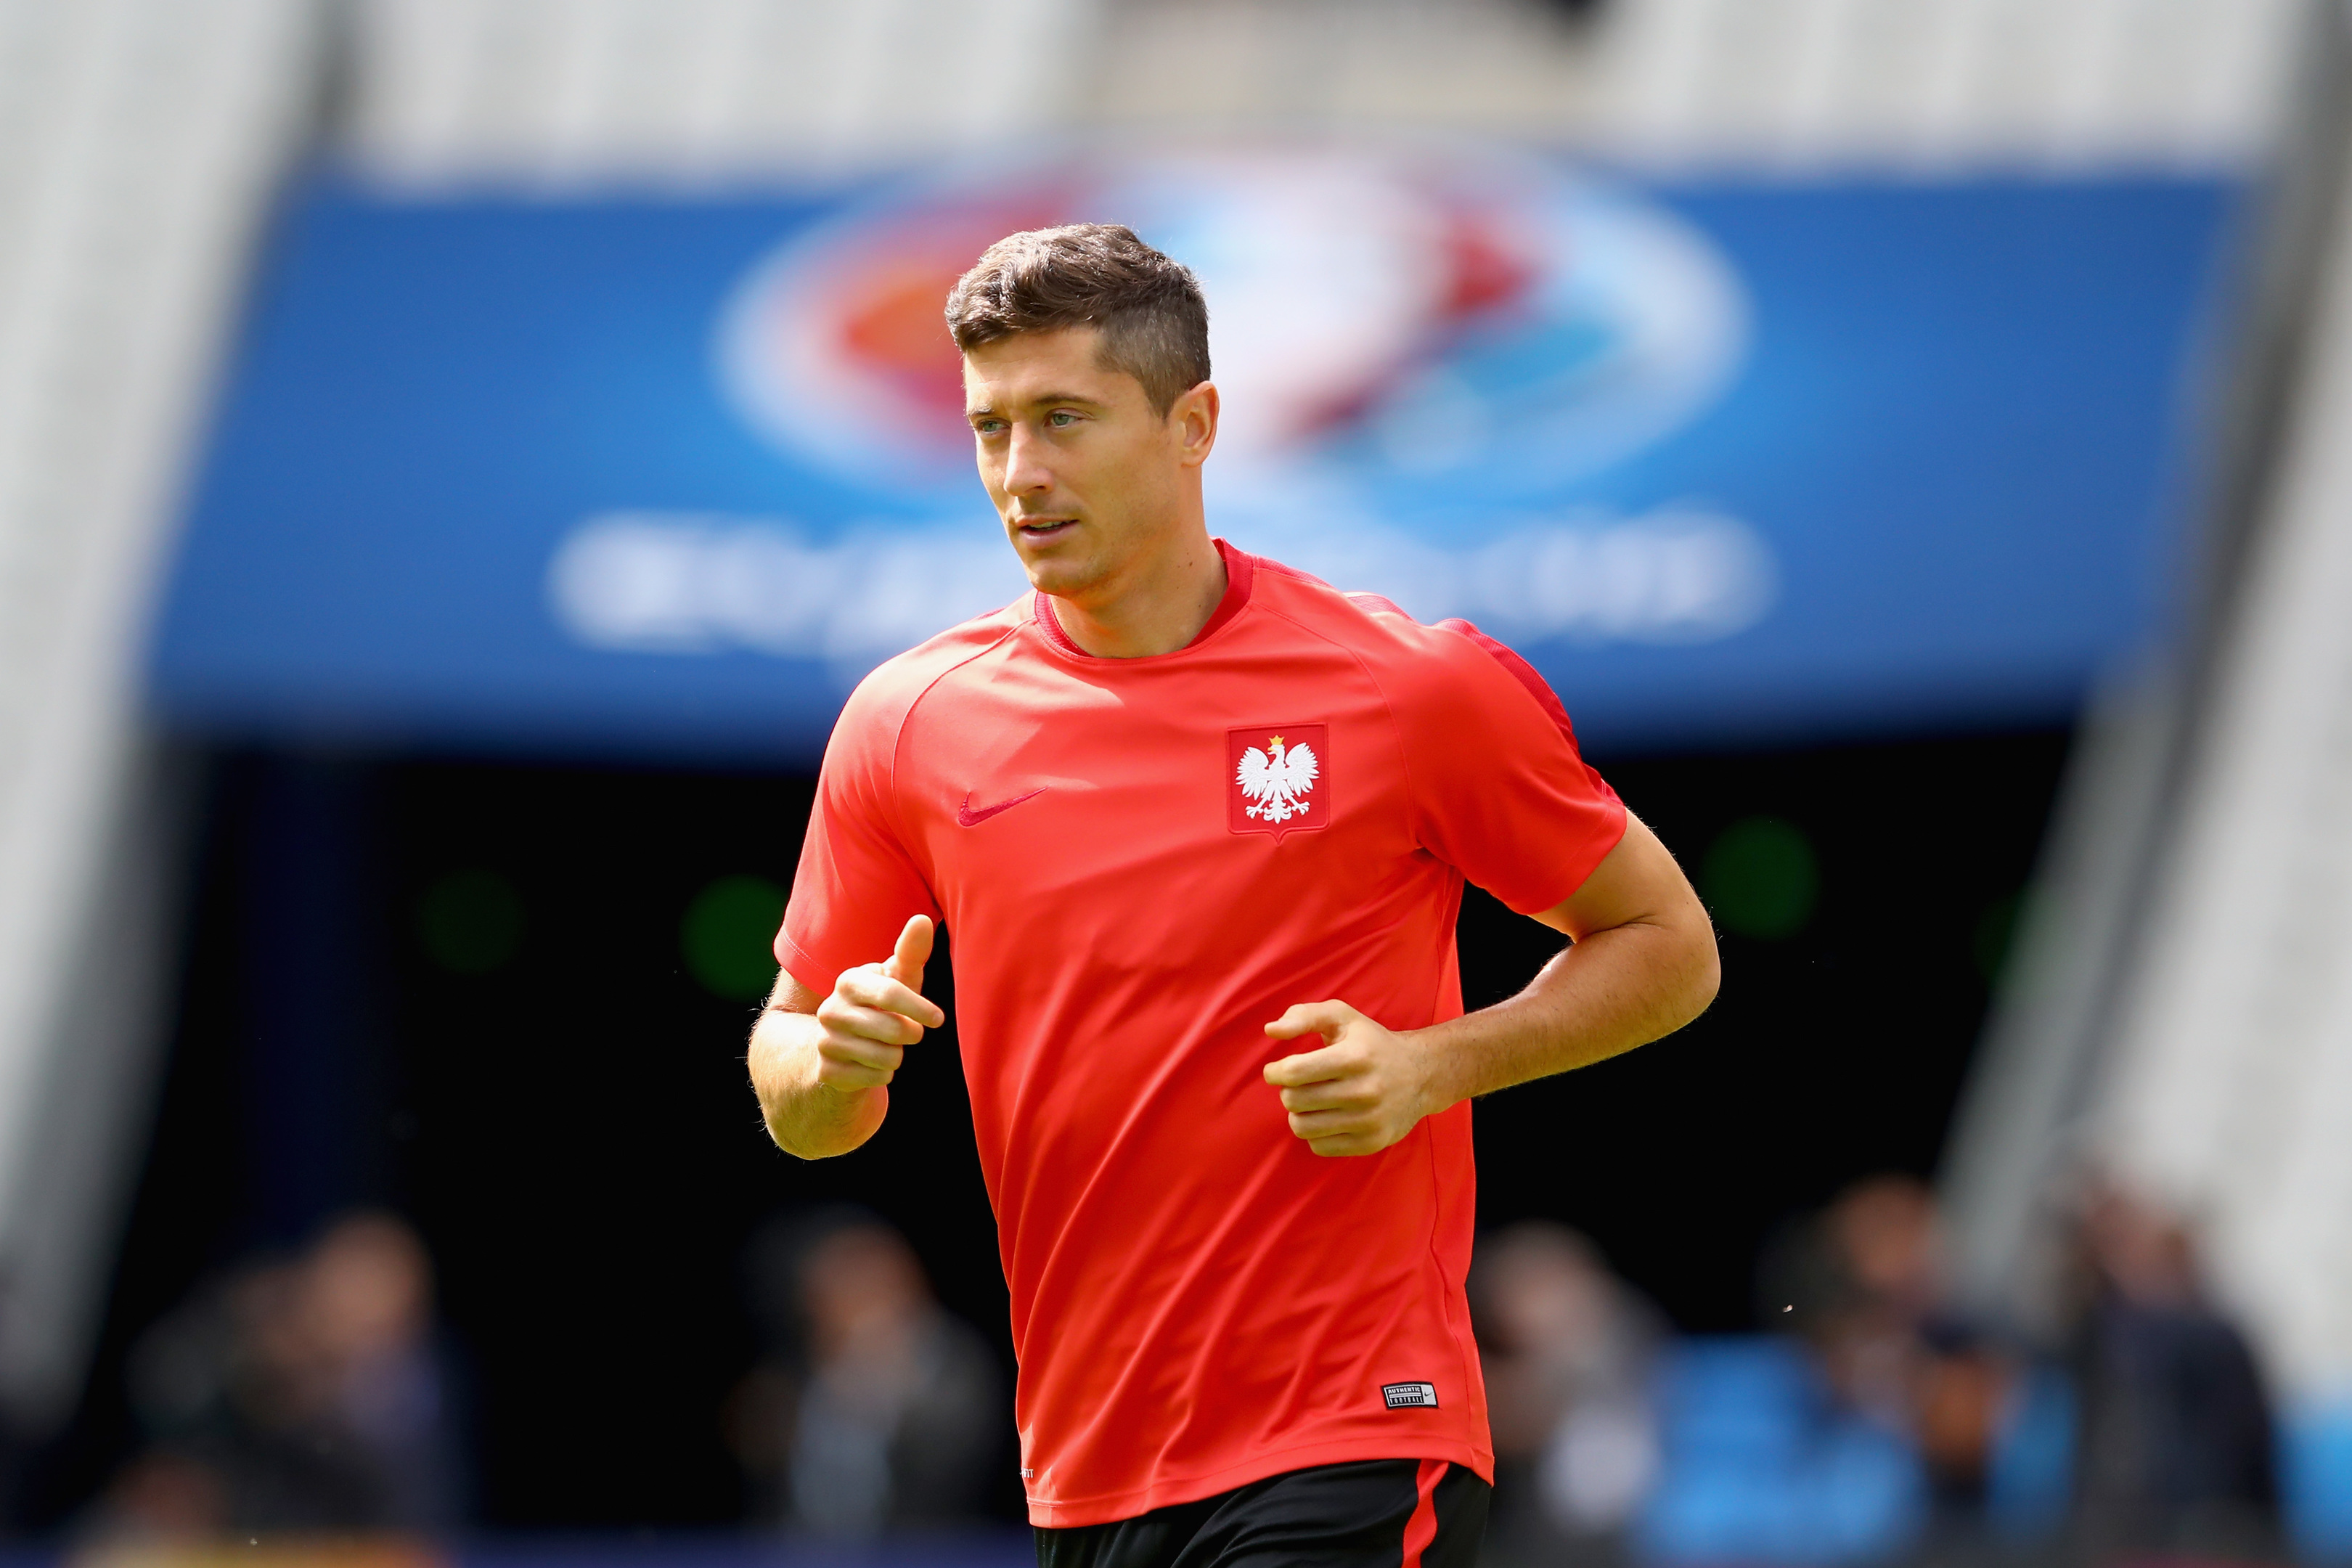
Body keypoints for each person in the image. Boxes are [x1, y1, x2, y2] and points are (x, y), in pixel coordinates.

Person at [747, 224, 1719, 1568]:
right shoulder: (908, 725)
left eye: (1065, 419)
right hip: (1089, 1470)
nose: (1021, 474)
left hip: (1349, 1424)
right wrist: (827, 1059)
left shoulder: (1408, 688)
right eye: (991, 429)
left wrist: (1437, 1065)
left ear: (1194, 423)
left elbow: (1669, 942)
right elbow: (801, 1096)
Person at [732, 1207, 1002, 1538]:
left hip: (922, 1552)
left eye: (865, 1277)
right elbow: (755, 1452)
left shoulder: (953, 1364)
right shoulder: (799, 1370)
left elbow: (954, 1462)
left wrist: (879, 1386)